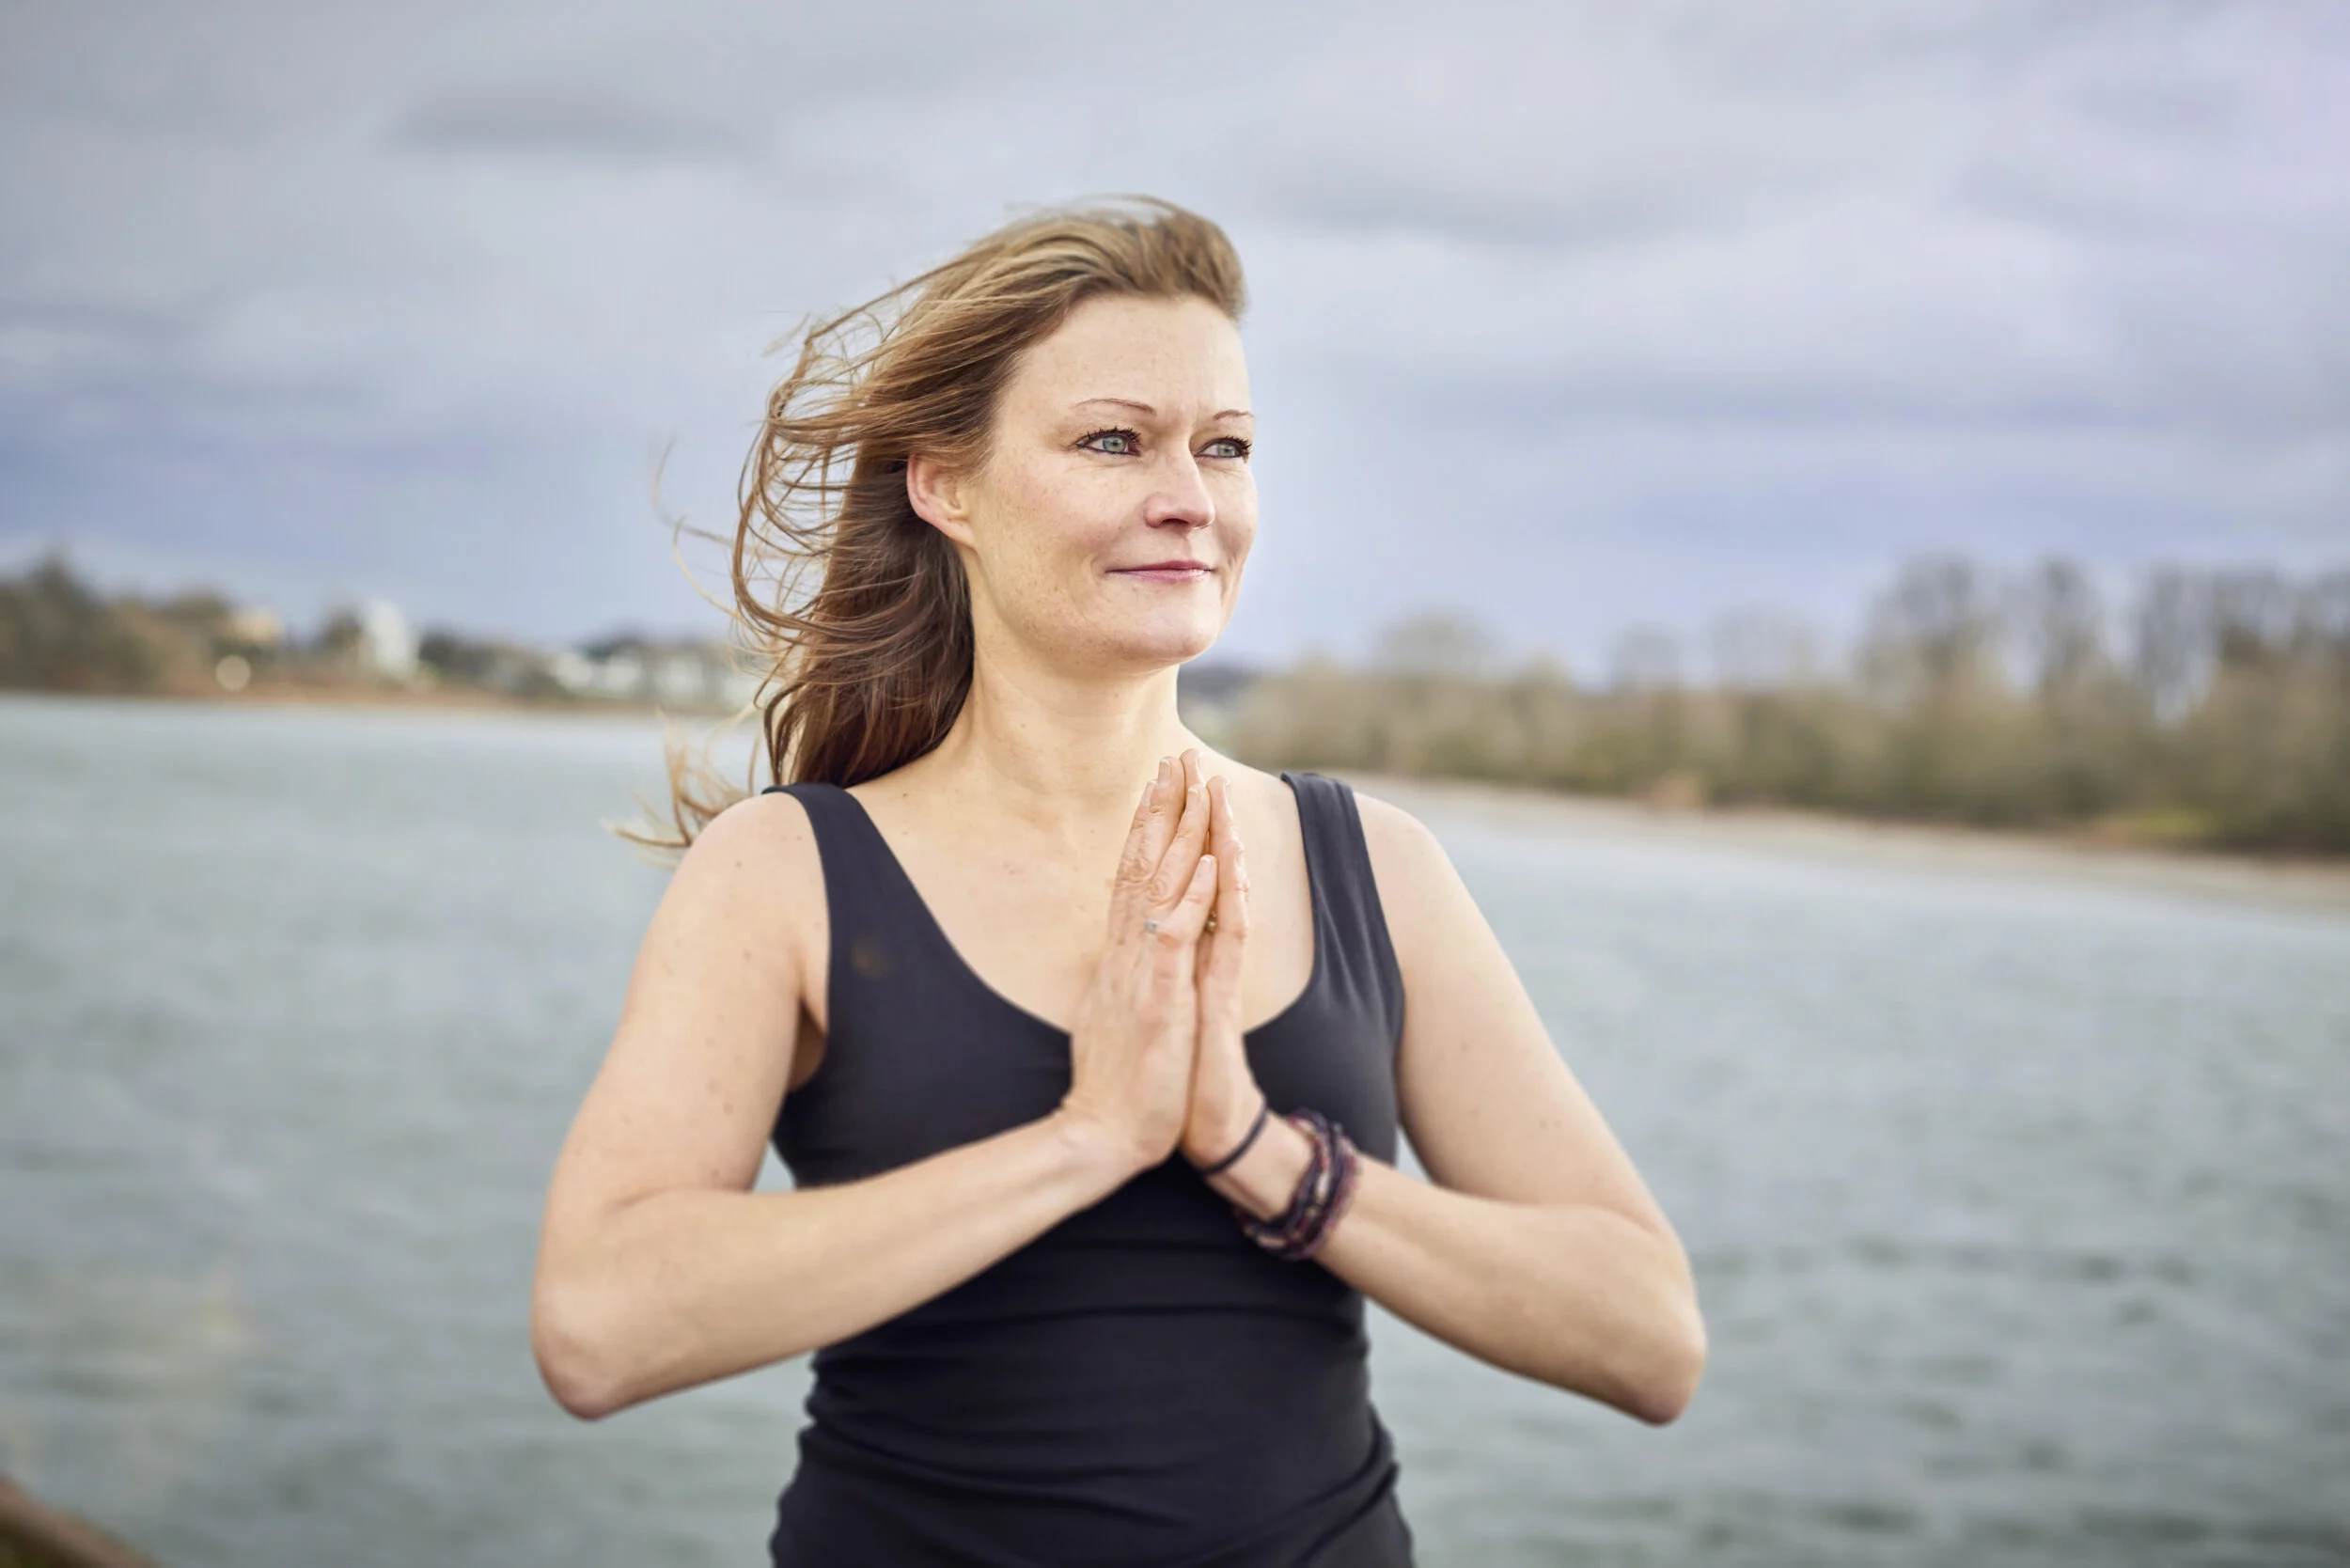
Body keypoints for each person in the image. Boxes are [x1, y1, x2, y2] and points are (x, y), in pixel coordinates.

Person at [529, 197, 1706, 1565]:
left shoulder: (1372, 869)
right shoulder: (790, 873)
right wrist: (1083, 1139)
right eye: (1112, 440)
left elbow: (1650, 1337)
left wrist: (1260, 1155)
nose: (1189, 499)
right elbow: (598, 1325)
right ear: (944, 484)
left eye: (1227, 447)